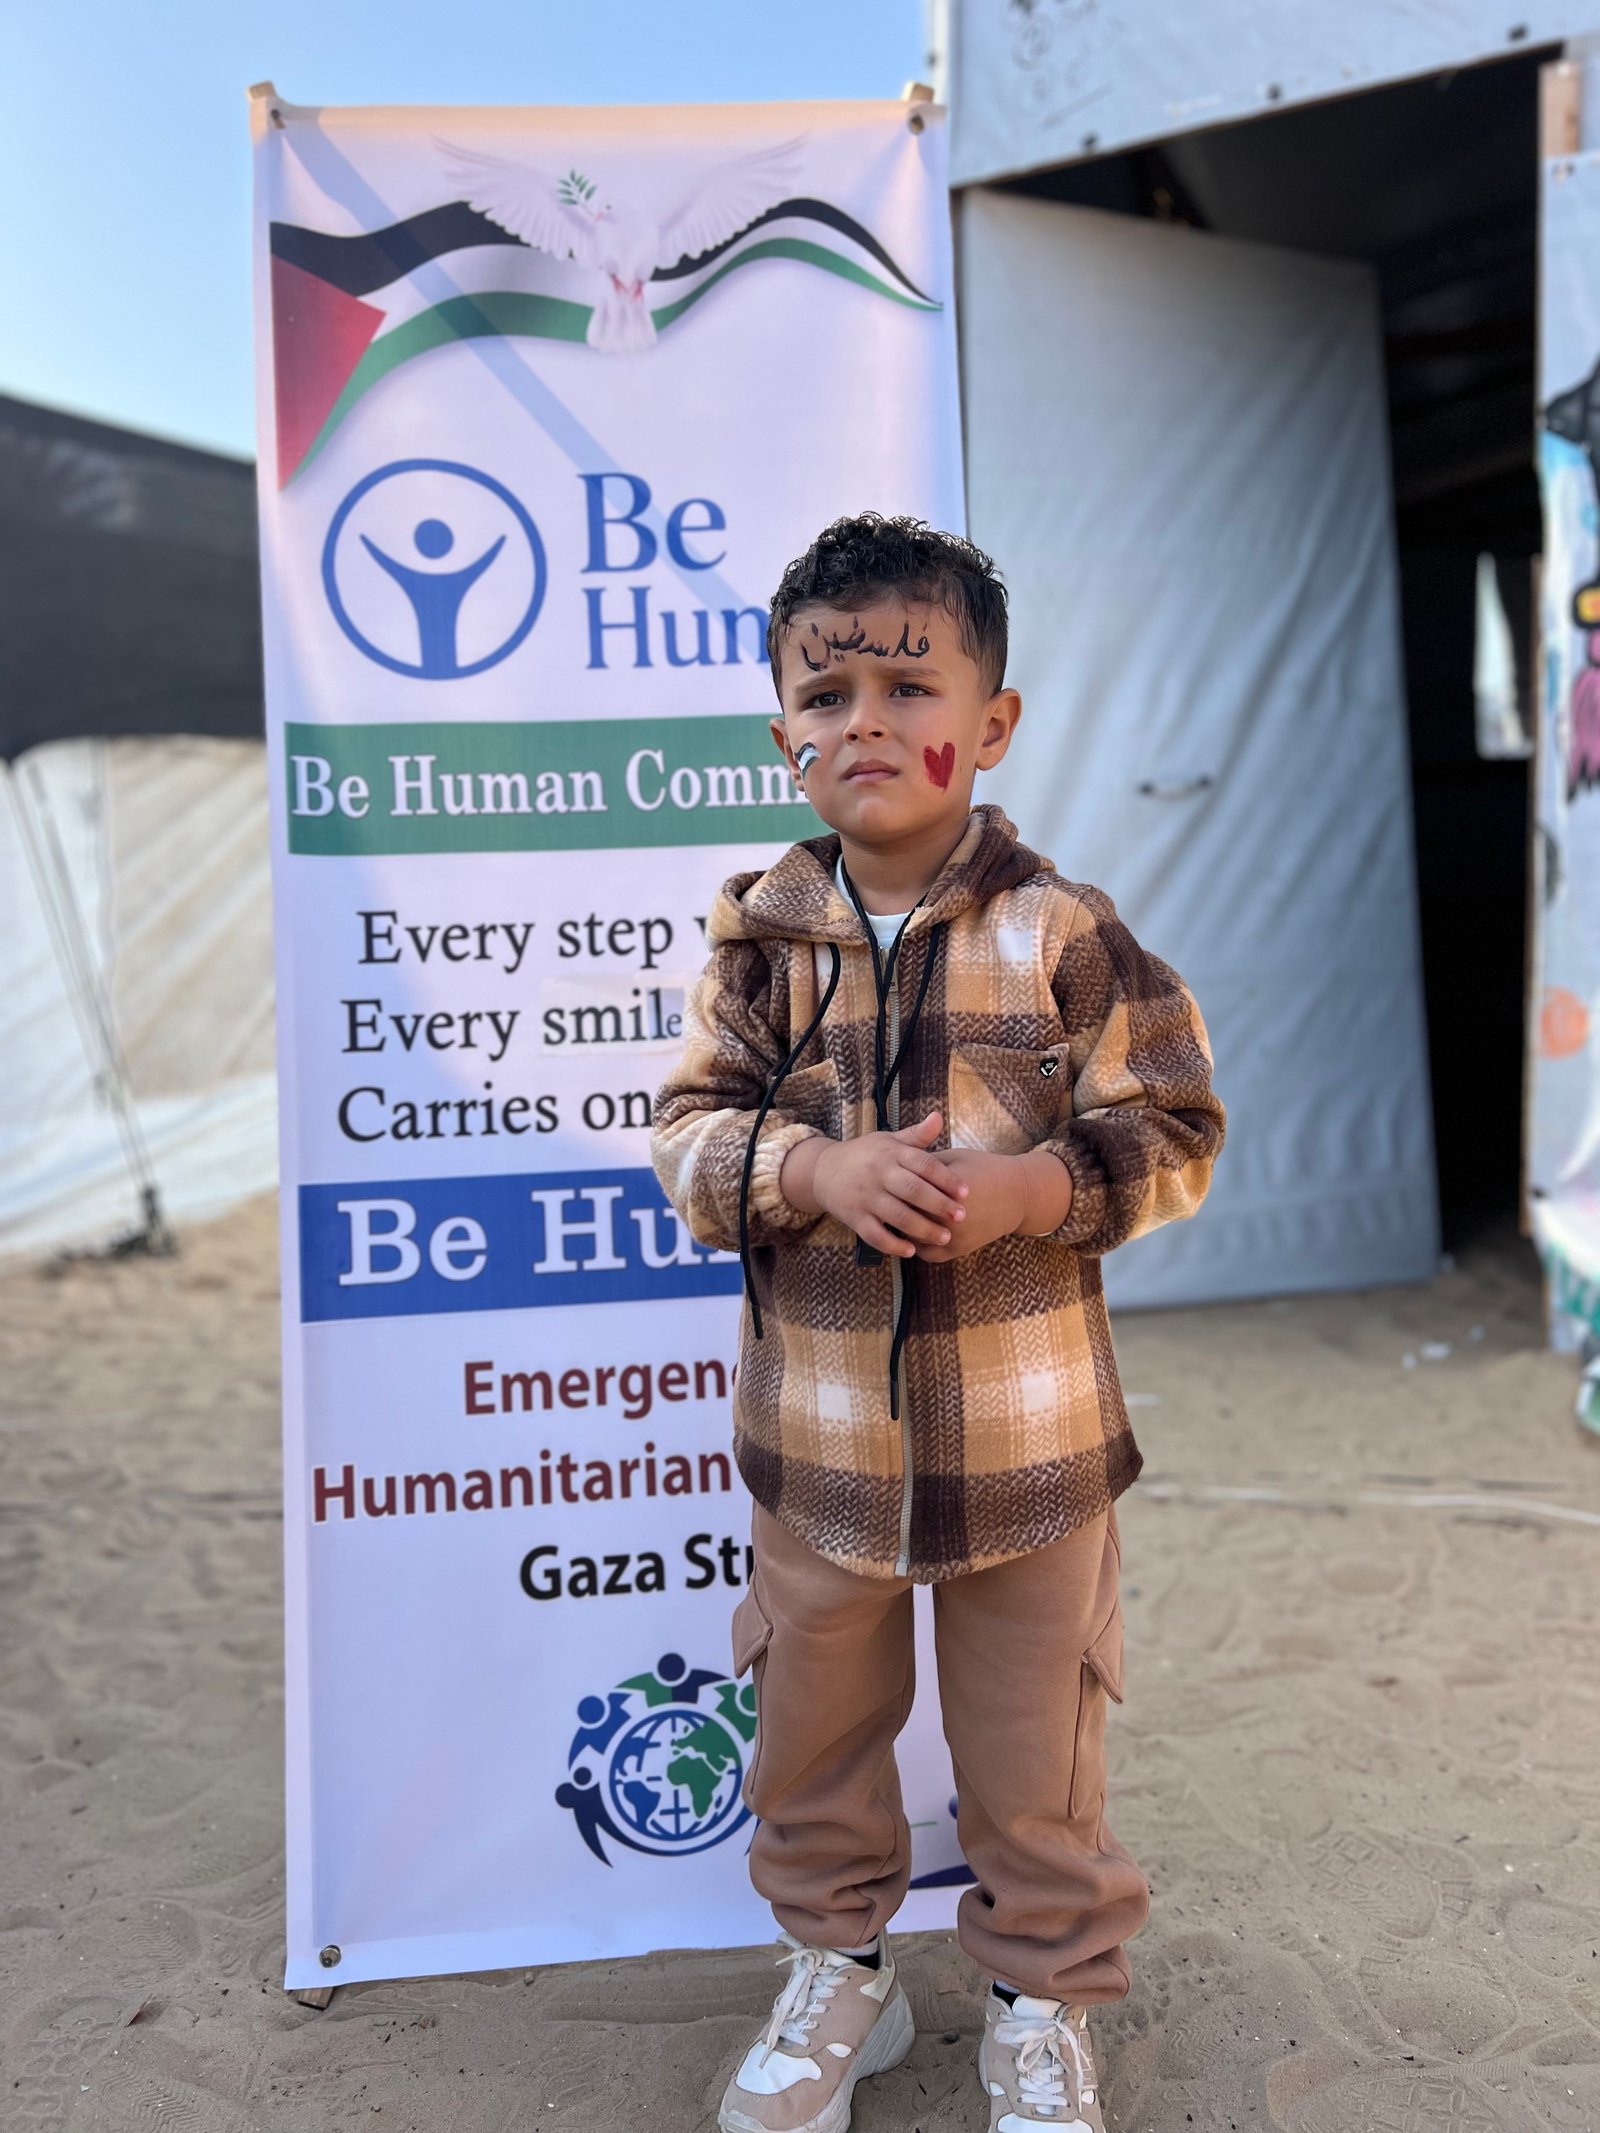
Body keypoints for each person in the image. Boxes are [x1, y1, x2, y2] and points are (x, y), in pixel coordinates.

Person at [650, 514, 1226, 2133]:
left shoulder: (1066, 932)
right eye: (824, 693)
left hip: (1032, 1457)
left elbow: (1179, 1129)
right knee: (816, 1737)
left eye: (909, 682)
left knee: (1032, 1755)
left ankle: (1040, 1995)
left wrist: (1042, 1191)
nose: (867, 721)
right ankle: (844, 1968)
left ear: (992, 722)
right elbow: (689, 1146)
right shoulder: (754, 939)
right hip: (818, 1454)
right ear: (783, 737)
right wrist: (813, 1165)